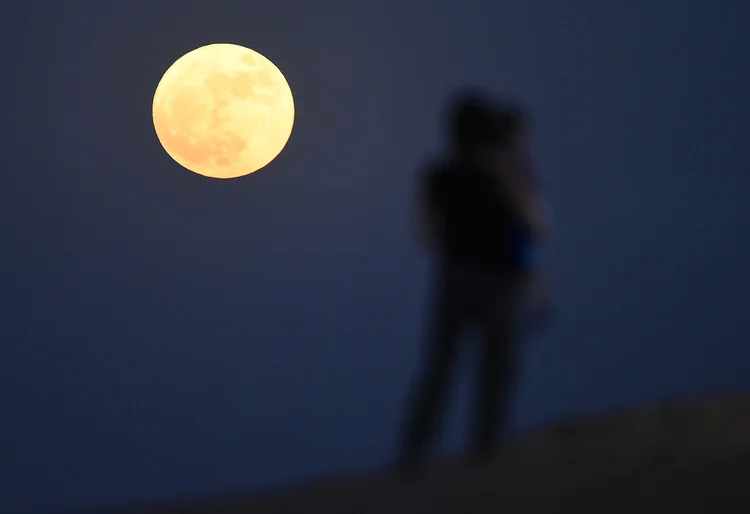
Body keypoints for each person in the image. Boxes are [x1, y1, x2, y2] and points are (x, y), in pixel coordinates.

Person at [397, 91, 548, 475]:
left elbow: (428, 234)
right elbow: (534, 227)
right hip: (499, 280)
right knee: (496, 368)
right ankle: (486, 449)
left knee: (441, 369)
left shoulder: (438, 175)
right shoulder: (505, 171)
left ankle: (416, 454)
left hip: (455, 278)